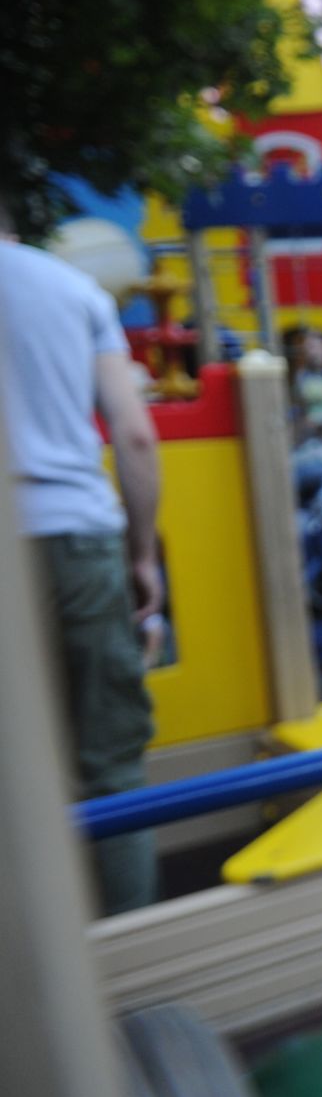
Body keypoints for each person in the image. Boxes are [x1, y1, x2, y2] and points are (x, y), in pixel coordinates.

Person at [0, 200, 162, 915]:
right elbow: (134, 435)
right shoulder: (73, 290)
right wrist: (142, 554)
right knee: (109, 765)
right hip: (76, 533)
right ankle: (130, 949)